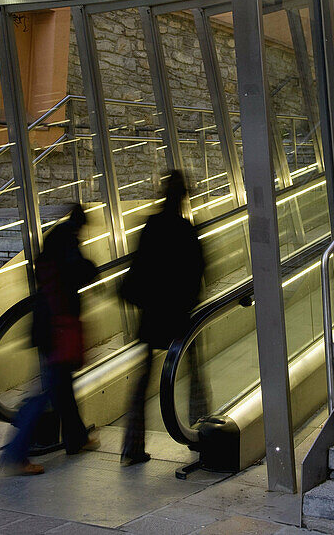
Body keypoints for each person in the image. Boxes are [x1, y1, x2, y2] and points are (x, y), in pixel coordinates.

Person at [0, 205, 100, 476]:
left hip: (48, 325)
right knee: (45, 393)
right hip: (57, 328)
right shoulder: (68, 241)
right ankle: (15, 454)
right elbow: (79, 270)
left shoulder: (53, 241)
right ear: (80, 224)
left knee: (63, 389)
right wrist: (93, 269)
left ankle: (76, 439)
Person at [119, 170, 206, 466]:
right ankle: (202, 434)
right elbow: (198, 271)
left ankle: (132, 445)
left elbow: (139, 266)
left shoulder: (151, 226)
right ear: (183, 197)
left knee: (143, 381)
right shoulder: (186, 231)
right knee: (194, 374)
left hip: (153, 313)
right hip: (179, 314)